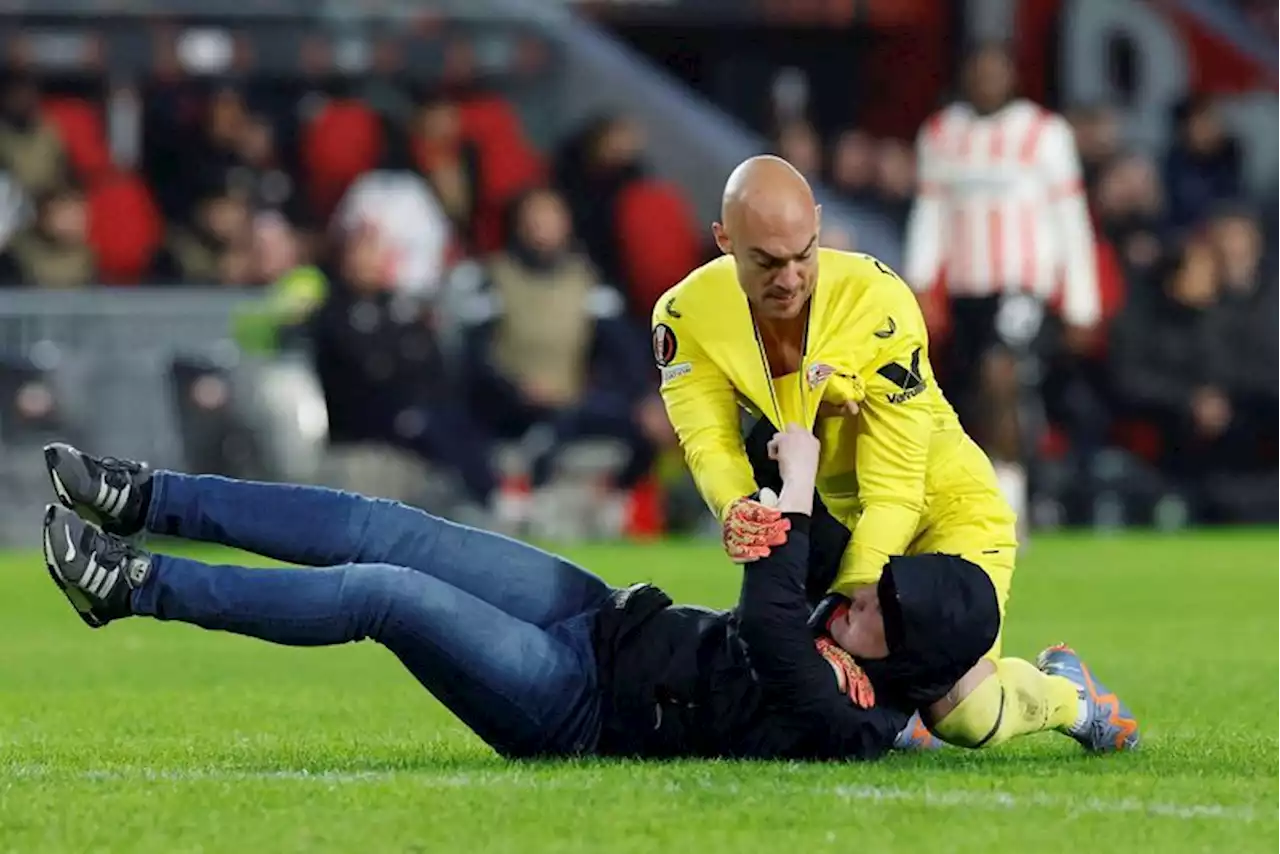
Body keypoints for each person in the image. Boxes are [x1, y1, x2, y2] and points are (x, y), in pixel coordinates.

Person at [40, 433, 1017, 761]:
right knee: (389, 524)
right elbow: (794, 505)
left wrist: (790, 498)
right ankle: (148, 495)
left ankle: (132, 583)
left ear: (910, 658)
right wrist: (796, 442)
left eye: (884, 603)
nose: (860, 592)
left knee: (386, 591)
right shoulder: (865, 626)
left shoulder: (854, 718)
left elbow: (767, 616)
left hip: (579, 706)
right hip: (605, 614)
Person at [652, 153, 1138, 754]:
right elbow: (709, 440)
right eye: (766, 262)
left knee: (964, 715)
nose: (789, 277)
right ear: (724, 241)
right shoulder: (685, 314)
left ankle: (1070, 694)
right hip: (846, 516)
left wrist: (848, 601)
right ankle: (901, 705)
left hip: (947, 509)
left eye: (804, 255)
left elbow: (898, 482)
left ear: (820, 227)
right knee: (828, 677)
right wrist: (734, 510)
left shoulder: (875, 302)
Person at [903, 42, 1102, 531]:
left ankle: (1010, 509)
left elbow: (1069, 215)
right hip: (969, 290)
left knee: (1001, 376)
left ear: (1013, 76)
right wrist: (919, 283)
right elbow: (930, 214)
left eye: (997, 70)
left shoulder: (1044, 133)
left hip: (1023, 286)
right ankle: (989, 498)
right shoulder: (941, 133)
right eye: (979, 70)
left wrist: (1082, 300)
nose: (987, 80)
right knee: (974, 395)